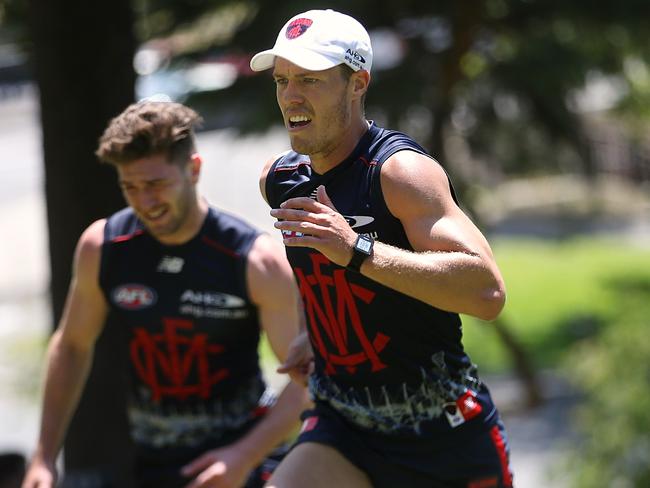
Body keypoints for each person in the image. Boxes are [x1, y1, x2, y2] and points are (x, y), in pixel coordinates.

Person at [249, 9, 513, 488]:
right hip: (344, 429)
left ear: (357, 83)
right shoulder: (282, 180)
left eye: (309, 78)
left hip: (441, 436)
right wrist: (320, 333)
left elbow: (487, 292)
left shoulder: (400, 174)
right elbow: (319, 274)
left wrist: (355, 248)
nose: (290, 95)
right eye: (282, 79)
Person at [22, 101, 309, 488]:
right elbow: (71, 346)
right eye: (131, 187)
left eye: (156, 185)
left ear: (193, 169)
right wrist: (43, 455)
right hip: (150, 464)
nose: (145, 202)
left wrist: (243, 455)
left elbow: (309, 377)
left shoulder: (255, 261)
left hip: (242, 464)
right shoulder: (103, 246)